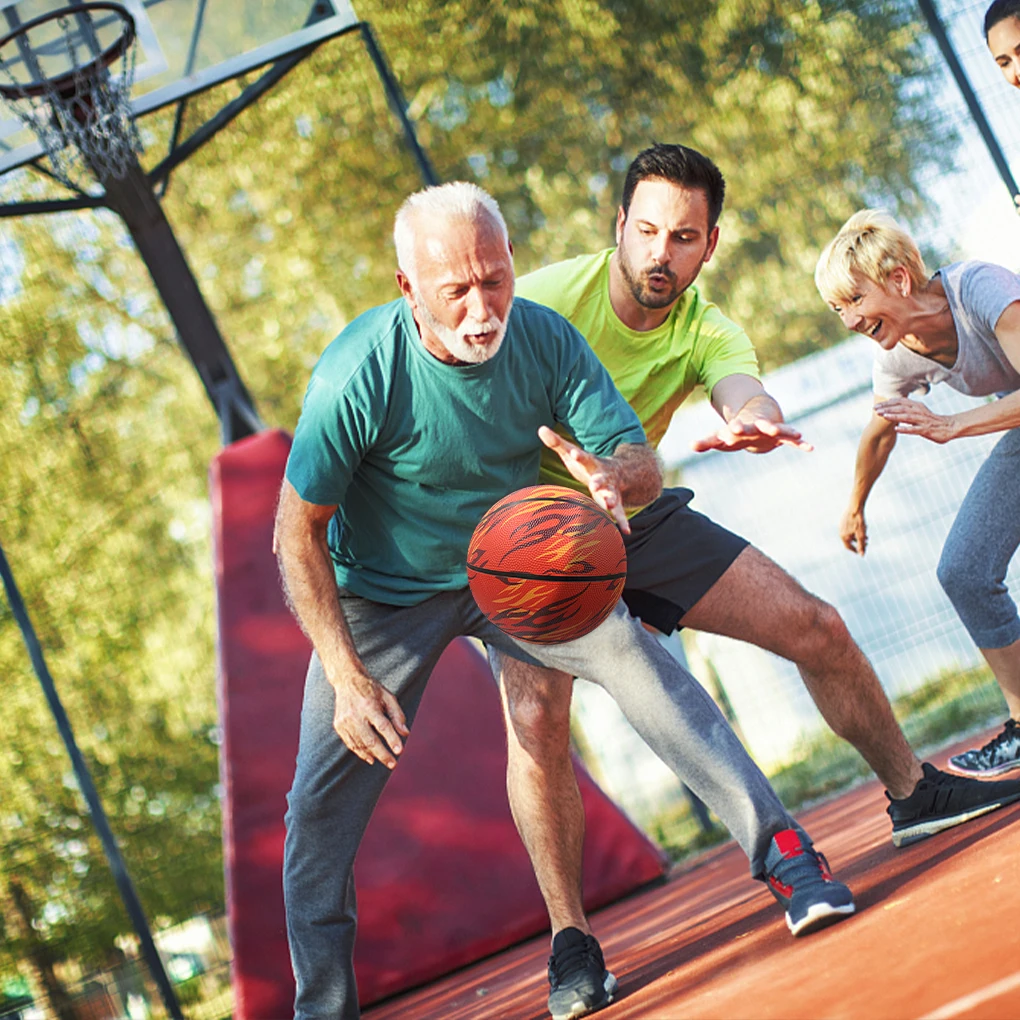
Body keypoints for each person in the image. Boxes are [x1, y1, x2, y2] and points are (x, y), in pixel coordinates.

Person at [275, 181, 855, 1020]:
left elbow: (639, 459)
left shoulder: (542, 338)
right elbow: (296, 531)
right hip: (382, 596)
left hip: (513, 568)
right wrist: (343, 671)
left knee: (635, 659)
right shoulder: (357, 373)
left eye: (495, 279)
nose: (482, 310)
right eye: (456, 291)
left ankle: (787, 855)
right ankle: (323, 1010)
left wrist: (612, 475)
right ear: (408, 288)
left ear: (511, 263)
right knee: (317, 807)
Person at [494, 144, 1020, 1019]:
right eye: (649, 231)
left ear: (708, 245)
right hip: (532, 536)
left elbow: (743, 389)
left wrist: (754, 421)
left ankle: (913, 793)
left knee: (815, 625)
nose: (663, 252)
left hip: (637, 509)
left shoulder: (705, 325)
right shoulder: (541, 299)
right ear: (620, 226)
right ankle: (571, 940)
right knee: (538, 719)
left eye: (685, 238)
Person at [815, 208, 1020, 785]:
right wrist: (855, 504)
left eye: (855, 300)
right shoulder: (897, 354)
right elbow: (879, 432)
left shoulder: (979, 288)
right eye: (837, 309)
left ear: (900, 279)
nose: (849, 320)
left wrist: (954, 425)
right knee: (965, 570)